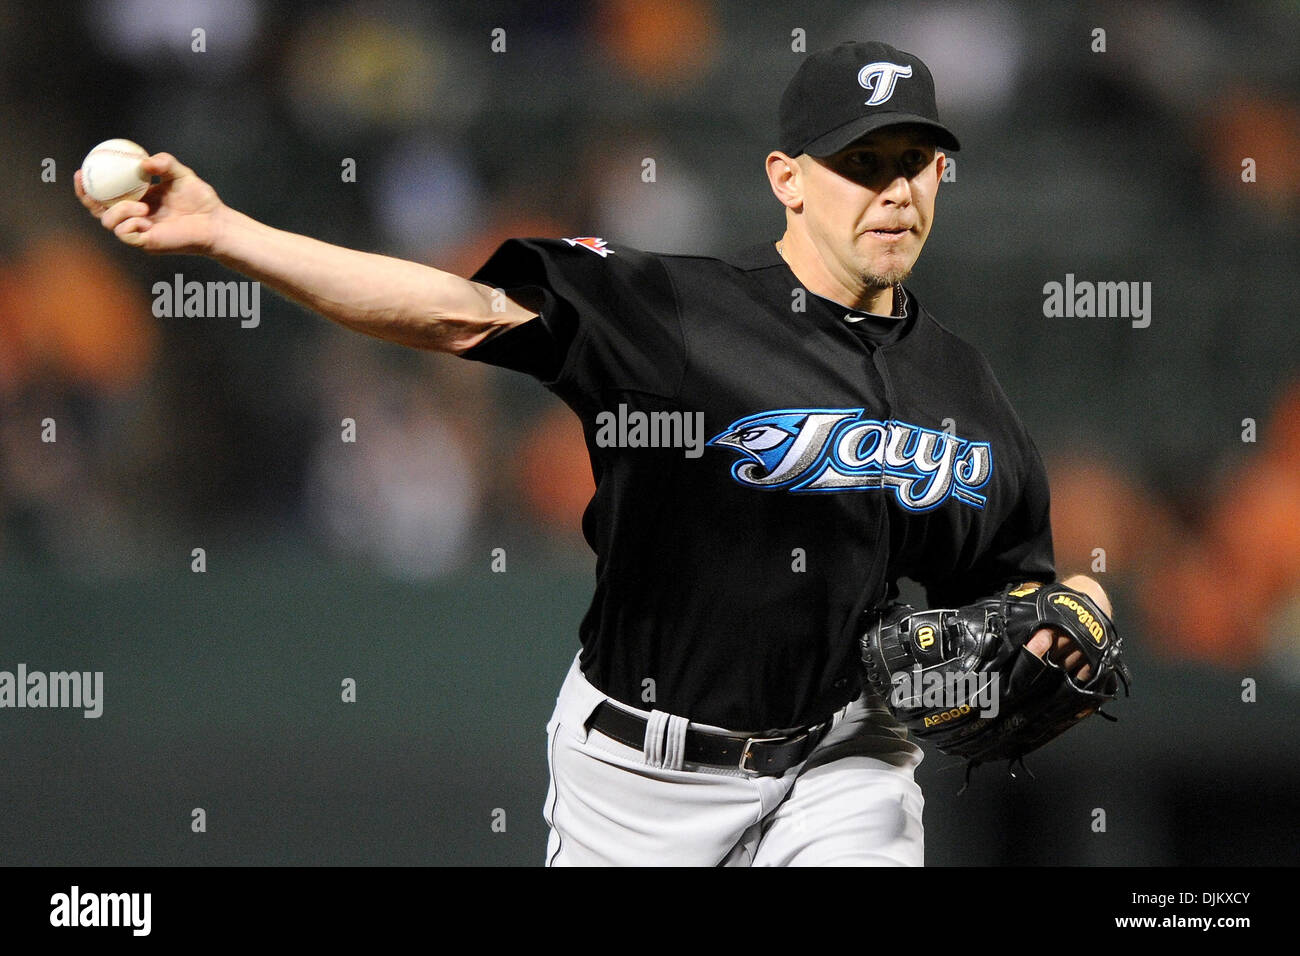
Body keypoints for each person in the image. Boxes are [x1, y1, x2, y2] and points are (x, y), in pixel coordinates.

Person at [77, 40, 1107, 866]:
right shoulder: (675, 310)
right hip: (637, 779)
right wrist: (225, 233)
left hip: (846, 760)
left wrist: (1081, 613)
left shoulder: (964, 387)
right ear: (787, 180)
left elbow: (1030, 587)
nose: (893, 191)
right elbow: (456, 314)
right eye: (860, 164)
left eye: (914, 162)